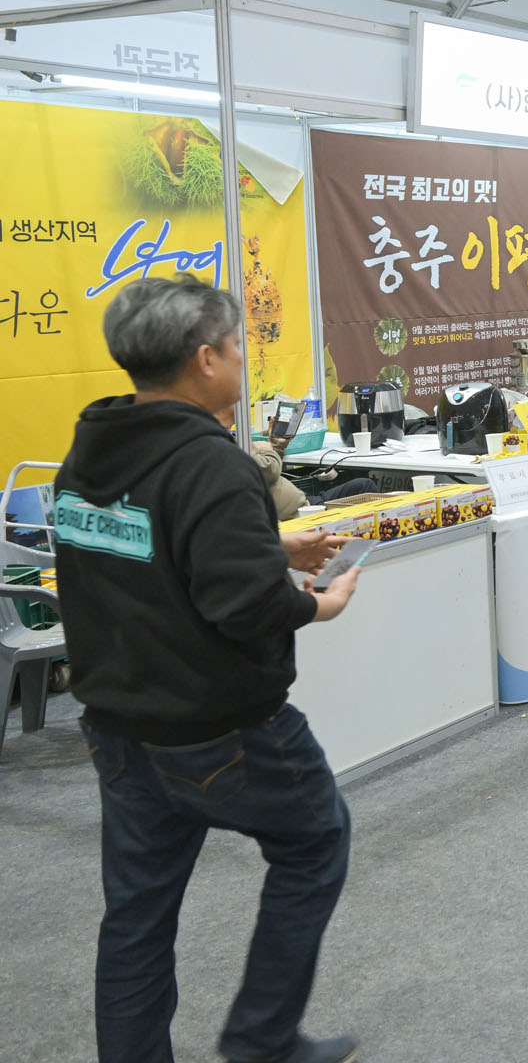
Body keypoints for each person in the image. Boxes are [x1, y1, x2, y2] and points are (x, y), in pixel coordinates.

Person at [52, 275, 363, 1063]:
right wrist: (317, 607)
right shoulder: (209, 464)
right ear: (204, 360)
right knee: (316, 841)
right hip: (221, 726)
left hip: (118, 724)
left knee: (137, 917)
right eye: (234, 348)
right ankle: (262, 1039)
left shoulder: (90, 450)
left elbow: (141, 548)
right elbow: (247, 607)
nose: (240, 362)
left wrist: (266, 544)